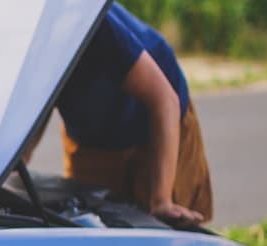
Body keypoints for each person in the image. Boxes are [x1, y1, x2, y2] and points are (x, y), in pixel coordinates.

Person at [53, 1, 212, 227]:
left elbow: (164, 100)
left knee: (163, 227)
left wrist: (162, 199)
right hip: (91, 132)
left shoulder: (88, 21)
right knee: (88, 226)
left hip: (157, 119)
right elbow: (29, 110)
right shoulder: (12, 39)